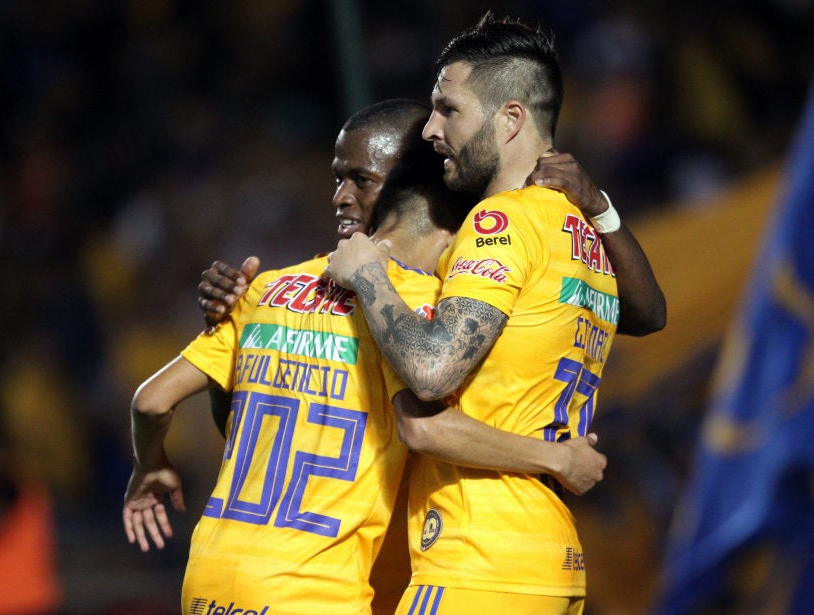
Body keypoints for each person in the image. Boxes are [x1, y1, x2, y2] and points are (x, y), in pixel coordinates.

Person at [121, 99, 608, 615]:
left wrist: (150, 465)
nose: (339, 196)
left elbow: (155, 403)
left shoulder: (268, 287)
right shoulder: (412, 314)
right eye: (339, 177)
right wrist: (559, 457)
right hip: (320, 592)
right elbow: (427, 428)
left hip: (210, 579)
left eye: (360, 179)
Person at [324, 14, 662, 615]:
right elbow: (646, 313)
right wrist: (603, 208)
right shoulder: (581, 230)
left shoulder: (497, 223)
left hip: (476, 560)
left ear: (511, 118)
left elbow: (431, 374)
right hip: (549, 557)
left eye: (447, 109)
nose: (430, 130)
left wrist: (368, 275)